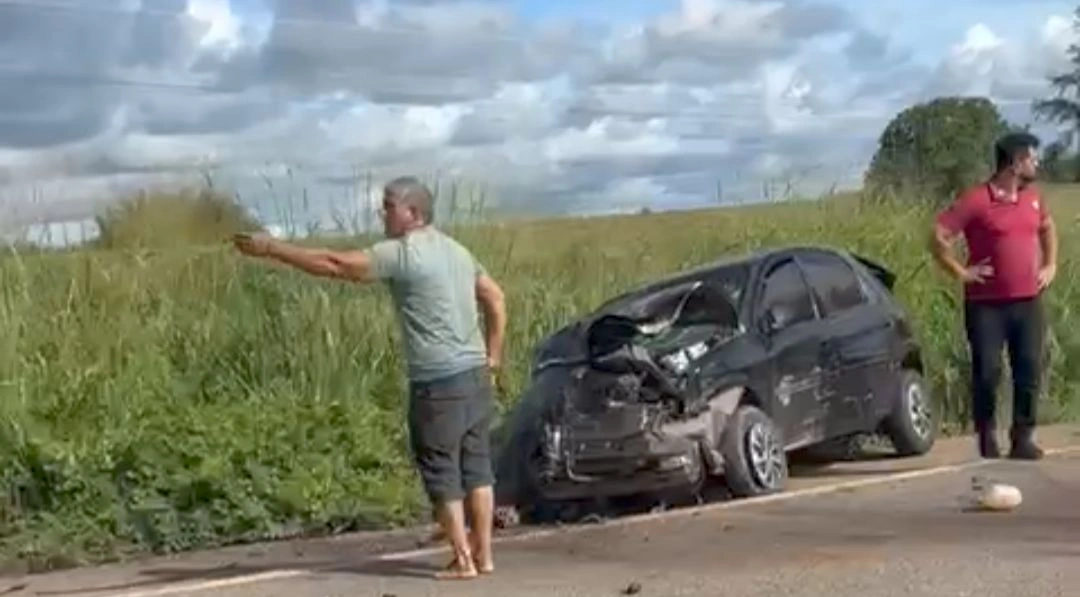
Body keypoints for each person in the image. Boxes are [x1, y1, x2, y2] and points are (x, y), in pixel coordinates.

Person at [233, 176, 507, 580]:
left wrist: (272, 248)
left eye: (389, 205)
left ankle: (463, 560)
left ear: (412, 213)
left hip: (437, 382)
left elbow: (334, 264)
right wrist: (493, 355)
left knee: (441, 466)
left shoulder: (404, 253)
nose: (382, 212)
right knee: (477, 467)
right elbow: (496, 297)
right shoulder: (457, 251)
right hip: (474, 375)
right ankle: (483, 557)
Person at [929, 131, 1057, 460]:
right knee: (987, 370)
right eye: (1031, 157)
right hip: (986, 305)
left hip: (1028, 300)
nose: (1036, 163)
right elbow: (938, 235)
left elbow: (1047, 227)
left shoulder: (1033, 198)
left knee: (1028, 367)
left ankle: (1023, 437)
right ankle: (986, 433)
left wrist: (1051, 263)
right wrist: (961, 272)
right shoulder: (977, 200)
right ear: (1014, 163)